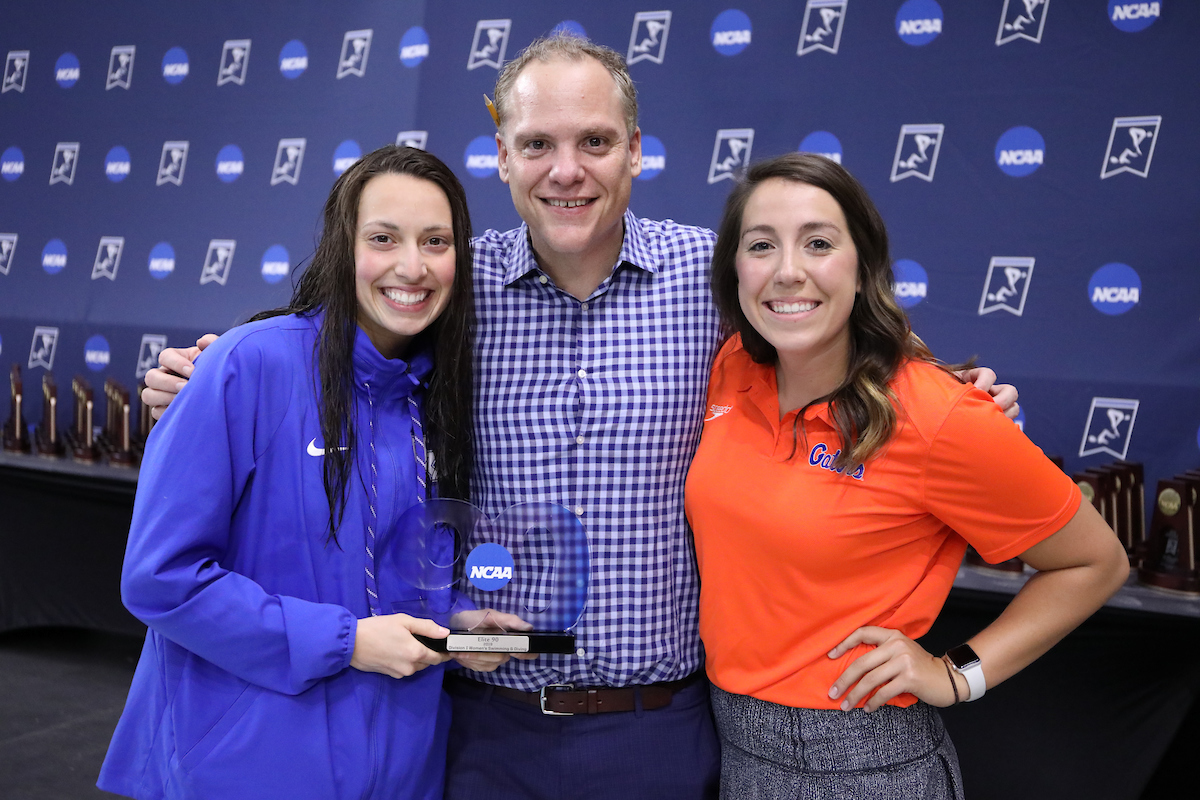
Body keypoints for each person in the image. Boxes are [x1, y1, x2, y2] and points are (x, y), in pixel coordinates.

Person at [139, 35, 1017, 800]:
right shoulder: (451, 288)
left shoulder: (714, 283)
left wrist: (956, 392)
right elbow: (334, 358)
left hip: (662, 731)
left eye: (595, 141)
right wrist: (206, 373)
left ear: (635, 151)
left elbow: (844, 335)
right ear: (502, 155)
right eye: (539, 144)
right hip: (483, 727)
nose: (568, 169)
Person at [685, 153, 1130, 798]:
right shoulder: (730, 369)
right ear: (734, 270)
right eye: (761, 245)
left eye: (818, 243)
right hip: (735, 749)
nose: (788, 271)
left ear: (863, 269)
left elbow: (1096, 563)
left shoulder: (939, 413)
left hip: (867, 765)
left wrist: (958, 675)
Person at [98, 146, 526, 800]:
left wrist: (464, 625)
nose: (412, 266)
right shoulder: (250, 365)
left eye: (435, 242)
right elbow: (161, 578)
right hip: (244, 768)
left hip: (402, 770)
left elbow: (401, 583)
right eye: (384, 238)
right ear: (341, 247)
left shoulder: (437, 397)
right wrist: (346, 642)